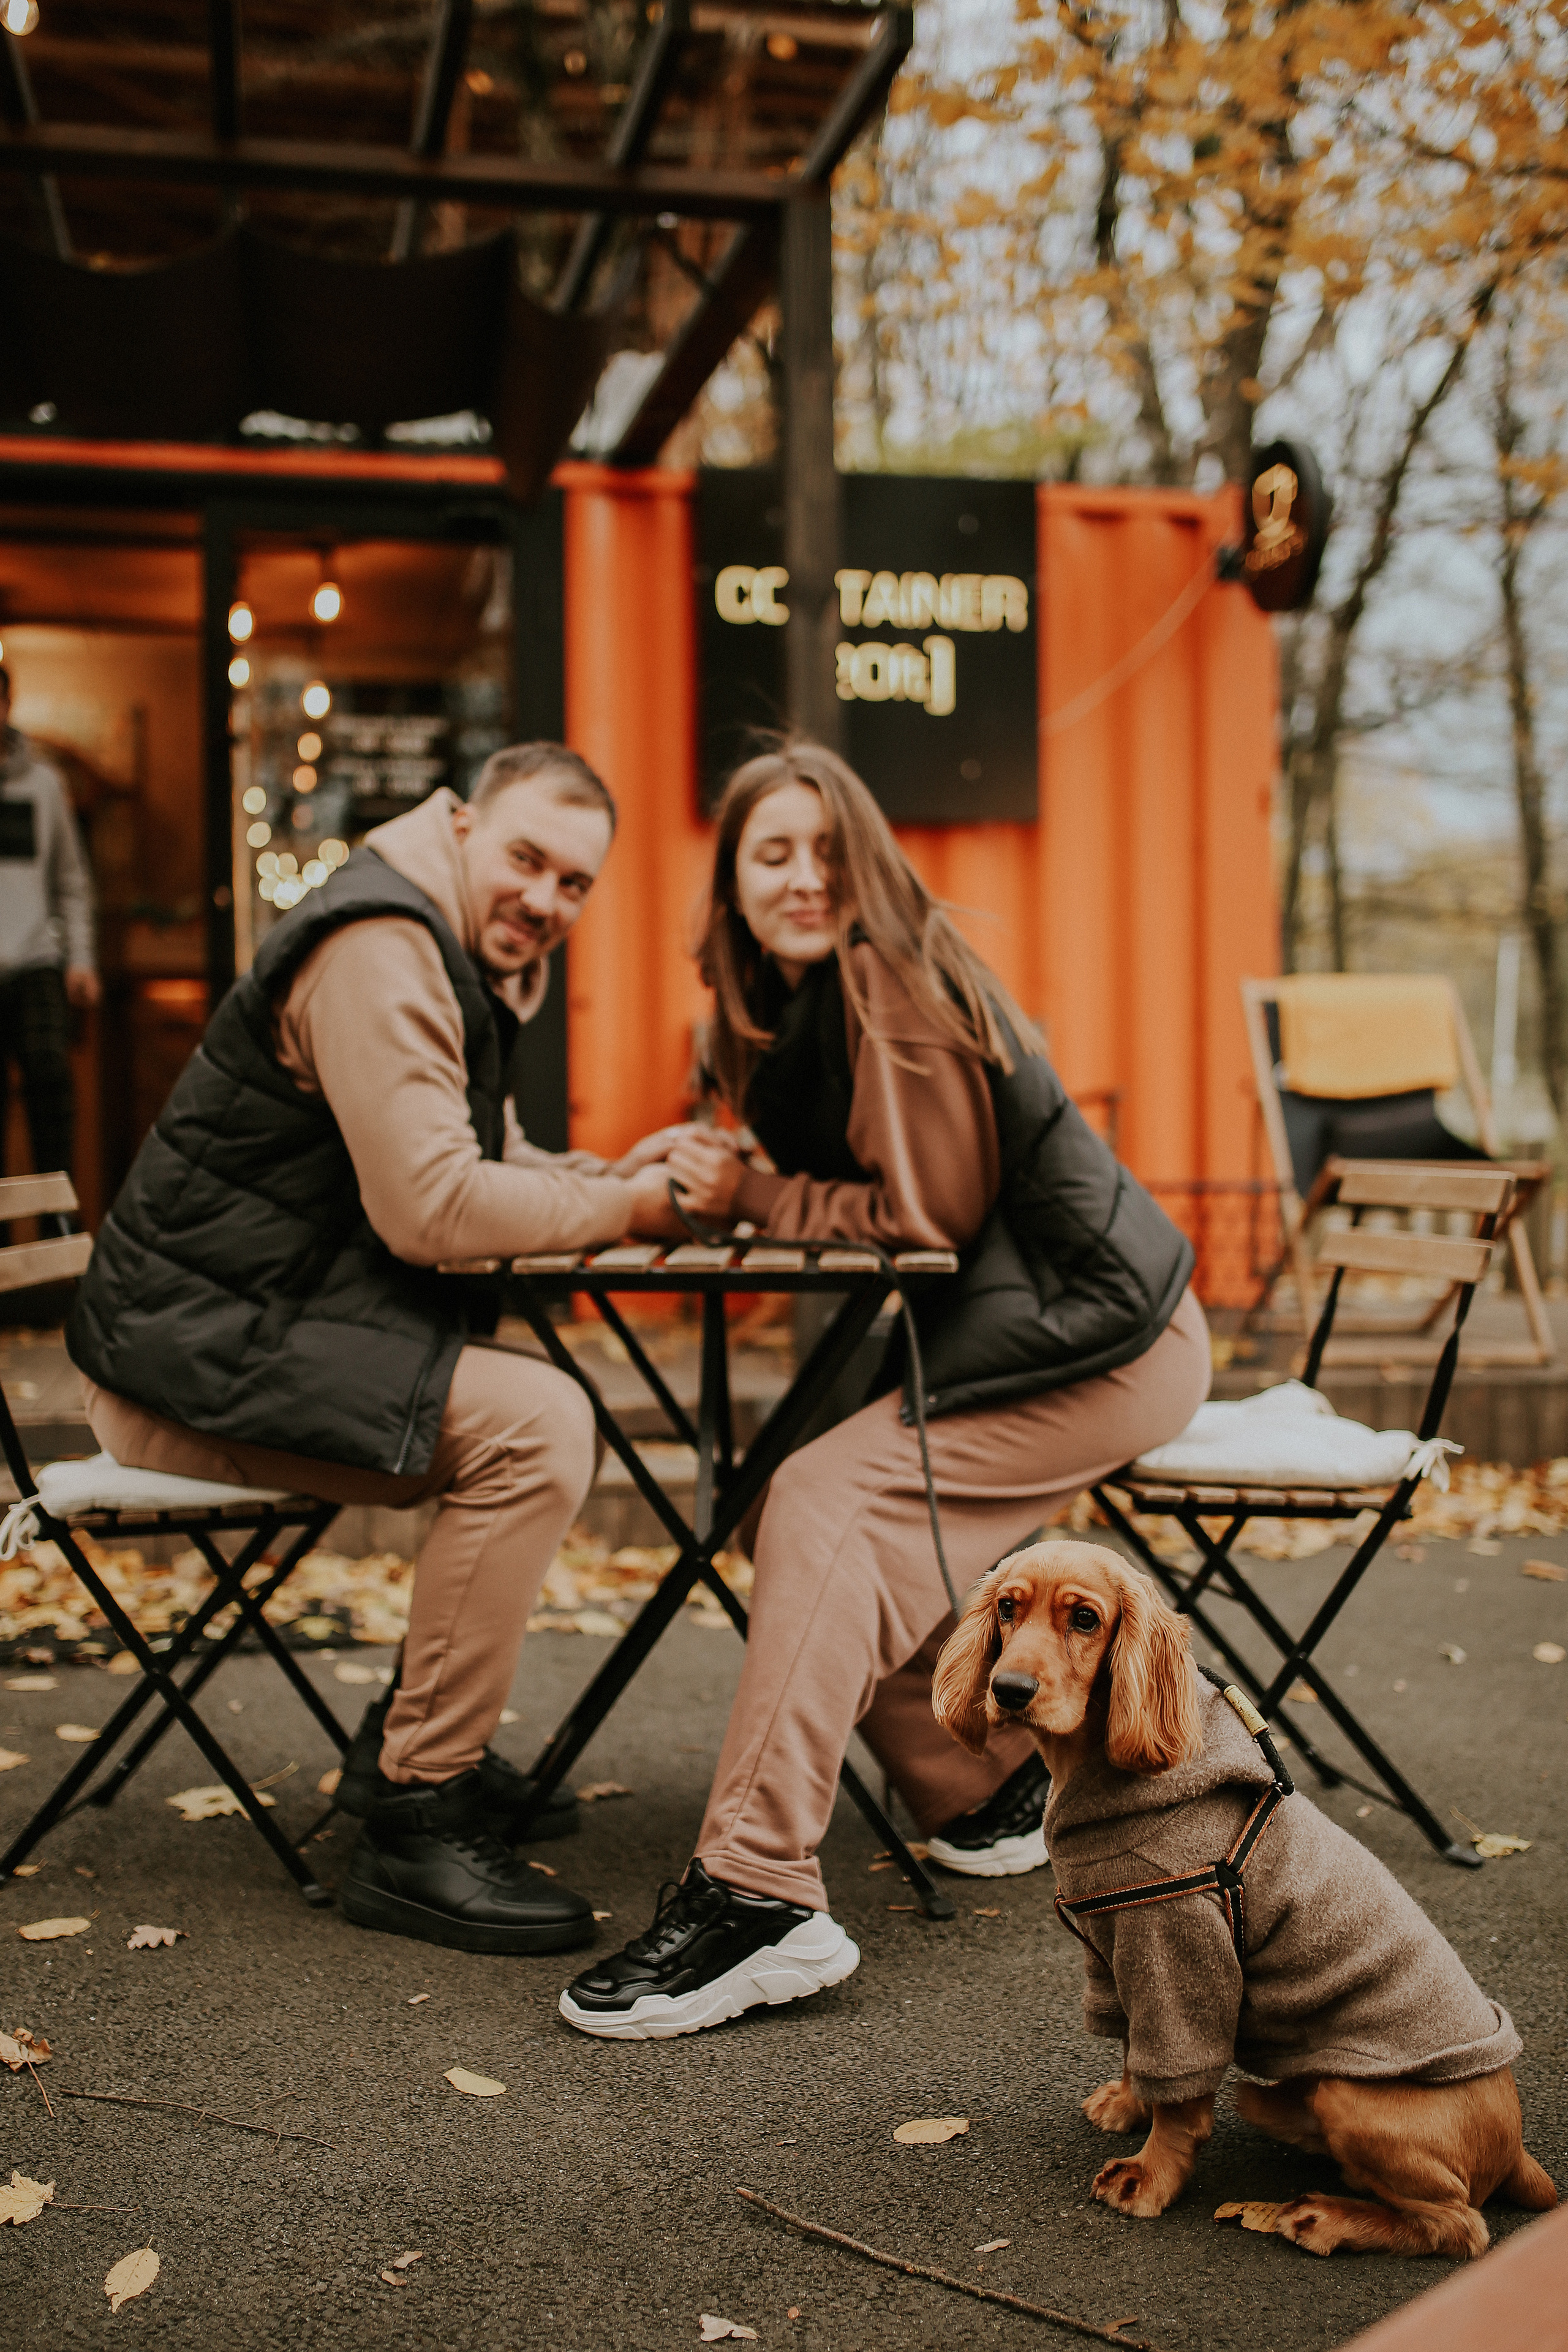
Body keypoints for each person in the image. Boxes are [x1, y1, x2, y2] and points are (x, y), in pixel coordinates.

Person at [559, 743, 1212, 2040]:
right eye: (770, 854)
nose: (803, 878)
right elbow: (844, 1168)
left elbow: (933, 1213)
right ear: (732, 882)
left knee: (816, 1497)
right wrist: (700, 1163)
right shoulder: (791, 1000)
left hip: (1101, 1343)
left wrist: (748, 1196)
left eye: (826, 851)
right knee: (784, 1510)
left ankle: (757, 1895)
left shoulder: (886, 975)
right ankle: (981, 1791)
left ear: (864, 863)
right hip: (1031, 1333)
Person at [67, 744, 685, 1958]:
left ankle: (409, 1743)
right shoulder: (382, 952)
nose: (546, 901)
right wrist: (636, 1213)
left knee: (536, 1411)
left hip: (248, 1333)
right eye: (525, 858)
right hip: (179, 1369)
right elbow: (437, 1212)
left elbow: (489, 1162)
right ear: (457, 823)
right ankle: (415, 1815)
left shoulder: (451, 953)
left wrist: (625, 1180)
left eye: (574, 884)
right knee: (540, 1424)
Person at [0, 664, 100, 1219]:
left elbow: (71, 880)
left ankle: (58, 1226)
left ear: (8, 704)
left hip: (36, 961)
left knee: (50, 1093)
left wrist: (81, 961)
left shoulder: (44, 784)